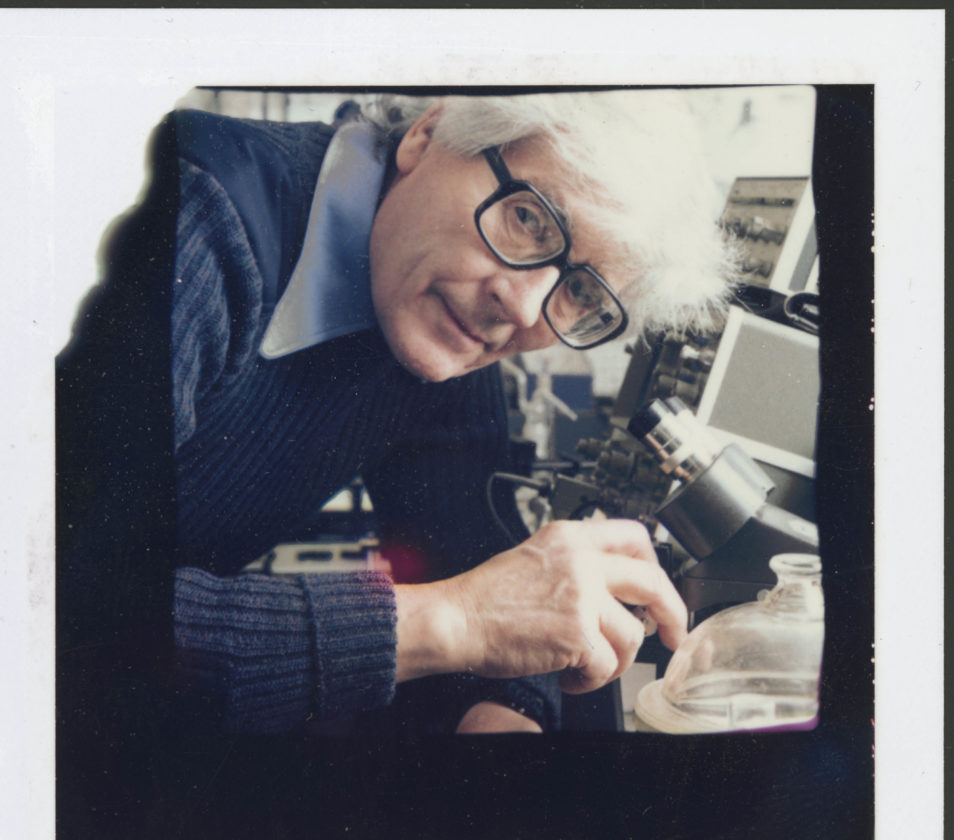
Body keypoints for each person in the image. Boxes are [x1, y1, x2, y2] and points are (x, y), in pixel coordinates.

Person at [58, 89, 737, 743]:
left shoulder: (445, 325)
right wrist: (449, 621)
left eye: (582, 292)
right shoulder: (195, 219)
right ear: (427, 134)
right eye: (528, 218)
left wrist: (504, 716)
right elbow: (51, 620)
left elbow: (484, 574)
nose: (524, 308)